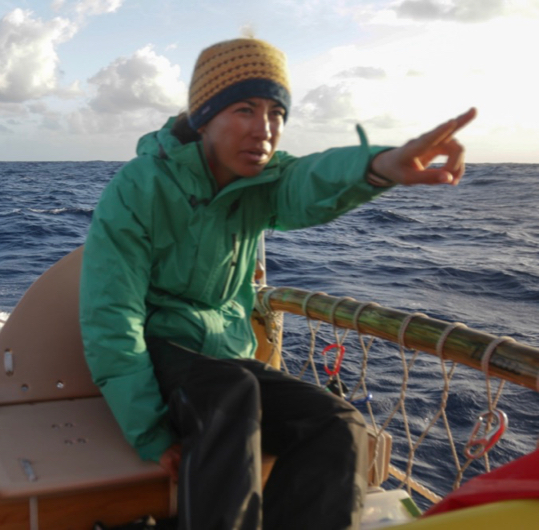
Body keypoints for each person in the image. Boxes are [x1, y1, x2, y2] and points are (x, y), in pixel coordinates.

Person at [79, 37, 475, 530]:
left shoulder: (263, 184)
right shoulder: (139, 187)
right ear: (204, 117)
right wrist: (151, 433)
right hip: (161, 354)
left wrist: (377, 167)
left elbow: (309, 179)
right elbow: (111, 317)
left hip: (226, 362)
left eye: (276, 113)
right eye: (245, 109)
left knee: (339, 423)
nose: (264, 130)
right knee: (232, 391)